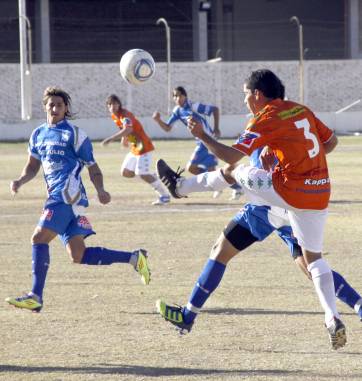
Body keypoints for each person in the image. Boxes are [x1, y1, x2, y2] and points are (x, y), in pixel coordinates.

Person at [156, 69, 347, 349]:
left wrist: (204, 137)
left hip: (285, 192)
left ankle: (180, 187)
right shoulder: (300, 109)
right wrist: (300, 161)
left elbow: (233, 154)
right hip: (318, 193)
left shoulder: (265, 117)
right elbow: (330, 142)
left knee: (233, 171)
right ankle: (332, 317)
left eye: (246, 94)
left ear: (258, 94)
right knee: (314, 259)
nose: (245, 100)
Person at [5, 87, 151, 313]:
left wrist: (101, 190)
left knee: (38, 239)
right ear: (45, 107)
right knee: (78, 255)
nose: (54, 108)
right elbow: (33, 166)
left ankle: (35, 295)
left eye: (59, 105)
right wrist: (20, 180)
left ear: (66, 109)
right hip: (65, 200)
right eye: (51, 105)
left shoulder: (74, 134)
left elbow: (93, 167)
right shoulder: (38, 134)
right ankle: (135, 258)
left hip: (65, 195)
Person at [152, 86, 243, 200]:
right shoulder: (177, 111)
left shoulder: (193, 106)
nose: (177, 98)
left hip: (207, 141)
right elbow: (167, 128)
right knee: (211, 171)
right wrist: (158, 120)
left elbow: (215, 109)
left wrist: (216, 128)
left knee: (191, 168)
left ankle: (231, 187)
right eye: (175, 96)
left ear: (185, 96)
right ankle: (236, 187)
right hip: (202, 141)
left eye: (180, 95)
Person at [101, 94, 170, 205]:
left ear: (119, 104)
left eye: (114, 103)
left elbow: (128, 129)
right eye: (109, 104)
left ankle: (164, 196)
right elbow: (124, 129)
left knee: (142, 173)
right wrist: (124, 139)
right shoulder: (114, 116)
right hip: (135, 147)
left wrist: (111, 139)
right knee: (125, 172)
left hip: (143, 147)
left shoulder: (125, 115)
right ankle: (153, 176)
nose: (112, 106)